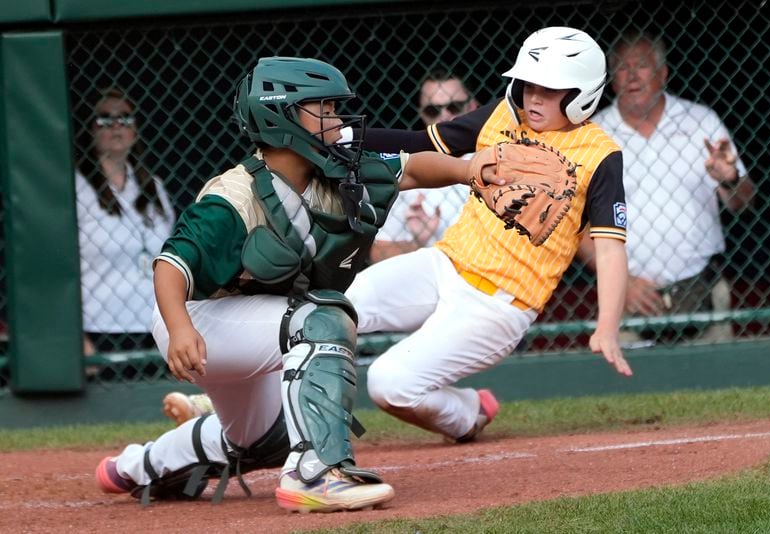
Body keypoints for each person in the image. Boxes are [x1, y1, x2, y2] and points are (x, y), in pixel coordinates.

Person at [95, 56, 496, 513]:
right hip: (196, 323)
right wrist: (180, 329)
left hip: (257, 324)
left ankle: (137, 466)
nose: (338, 120)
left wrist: (471, 170)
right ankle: (317, 474)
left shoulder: (334, 170)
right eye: (323, 109)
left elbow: (414, 168)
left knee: (265, 437)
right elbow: (170, 265)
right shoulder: (236, 194)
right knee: (323, 316)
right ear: (281, 117)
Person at [343, 26, 633, 443]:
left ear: (582, 94)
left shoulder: (601, 154)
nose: (533, 98)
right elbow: (422, 142)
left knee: (388, 384)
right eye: (529, 85)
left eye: (550, 90)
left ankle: (466, 413)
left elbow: (608, 249)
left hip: (498, 305)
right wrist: (346, 137)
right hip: (443, 264)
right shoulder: (501, 115)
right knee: (335, 306)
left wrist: (607, 326)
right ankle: (260, 414)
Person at [577, 31, 755, 344]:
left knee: (718, 387)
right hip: (627, 296)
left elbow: (743, 201)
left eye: (642, 65)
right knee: (627, 391)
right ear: (611, 80)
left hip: (701, 288)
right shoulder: (592, 136)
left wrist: (729, 178)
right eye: (622, 67)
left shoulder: (701, 121)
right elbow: (575, 225)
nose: (632, 75)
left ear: (663, 73)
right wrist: (622, 282)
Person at [75, 87, 176, 356]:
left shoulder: (154, 188)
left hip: (156, 326)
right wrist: (77, 337)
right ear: (91, 130)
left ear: (136, 131)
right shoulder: (75, 187)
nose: (117, 125)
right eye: (105, 118)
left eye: (125, 118)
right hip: (99, 329)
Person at [369, 69, 479, 263]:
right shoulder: (408, 169)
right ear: (422, 114)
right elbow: (378, 254)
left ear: (473, 106)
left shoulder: (495, 156)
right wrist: (418, 242)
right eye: (433, 110)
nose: (444, 116)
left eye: (454, 106)